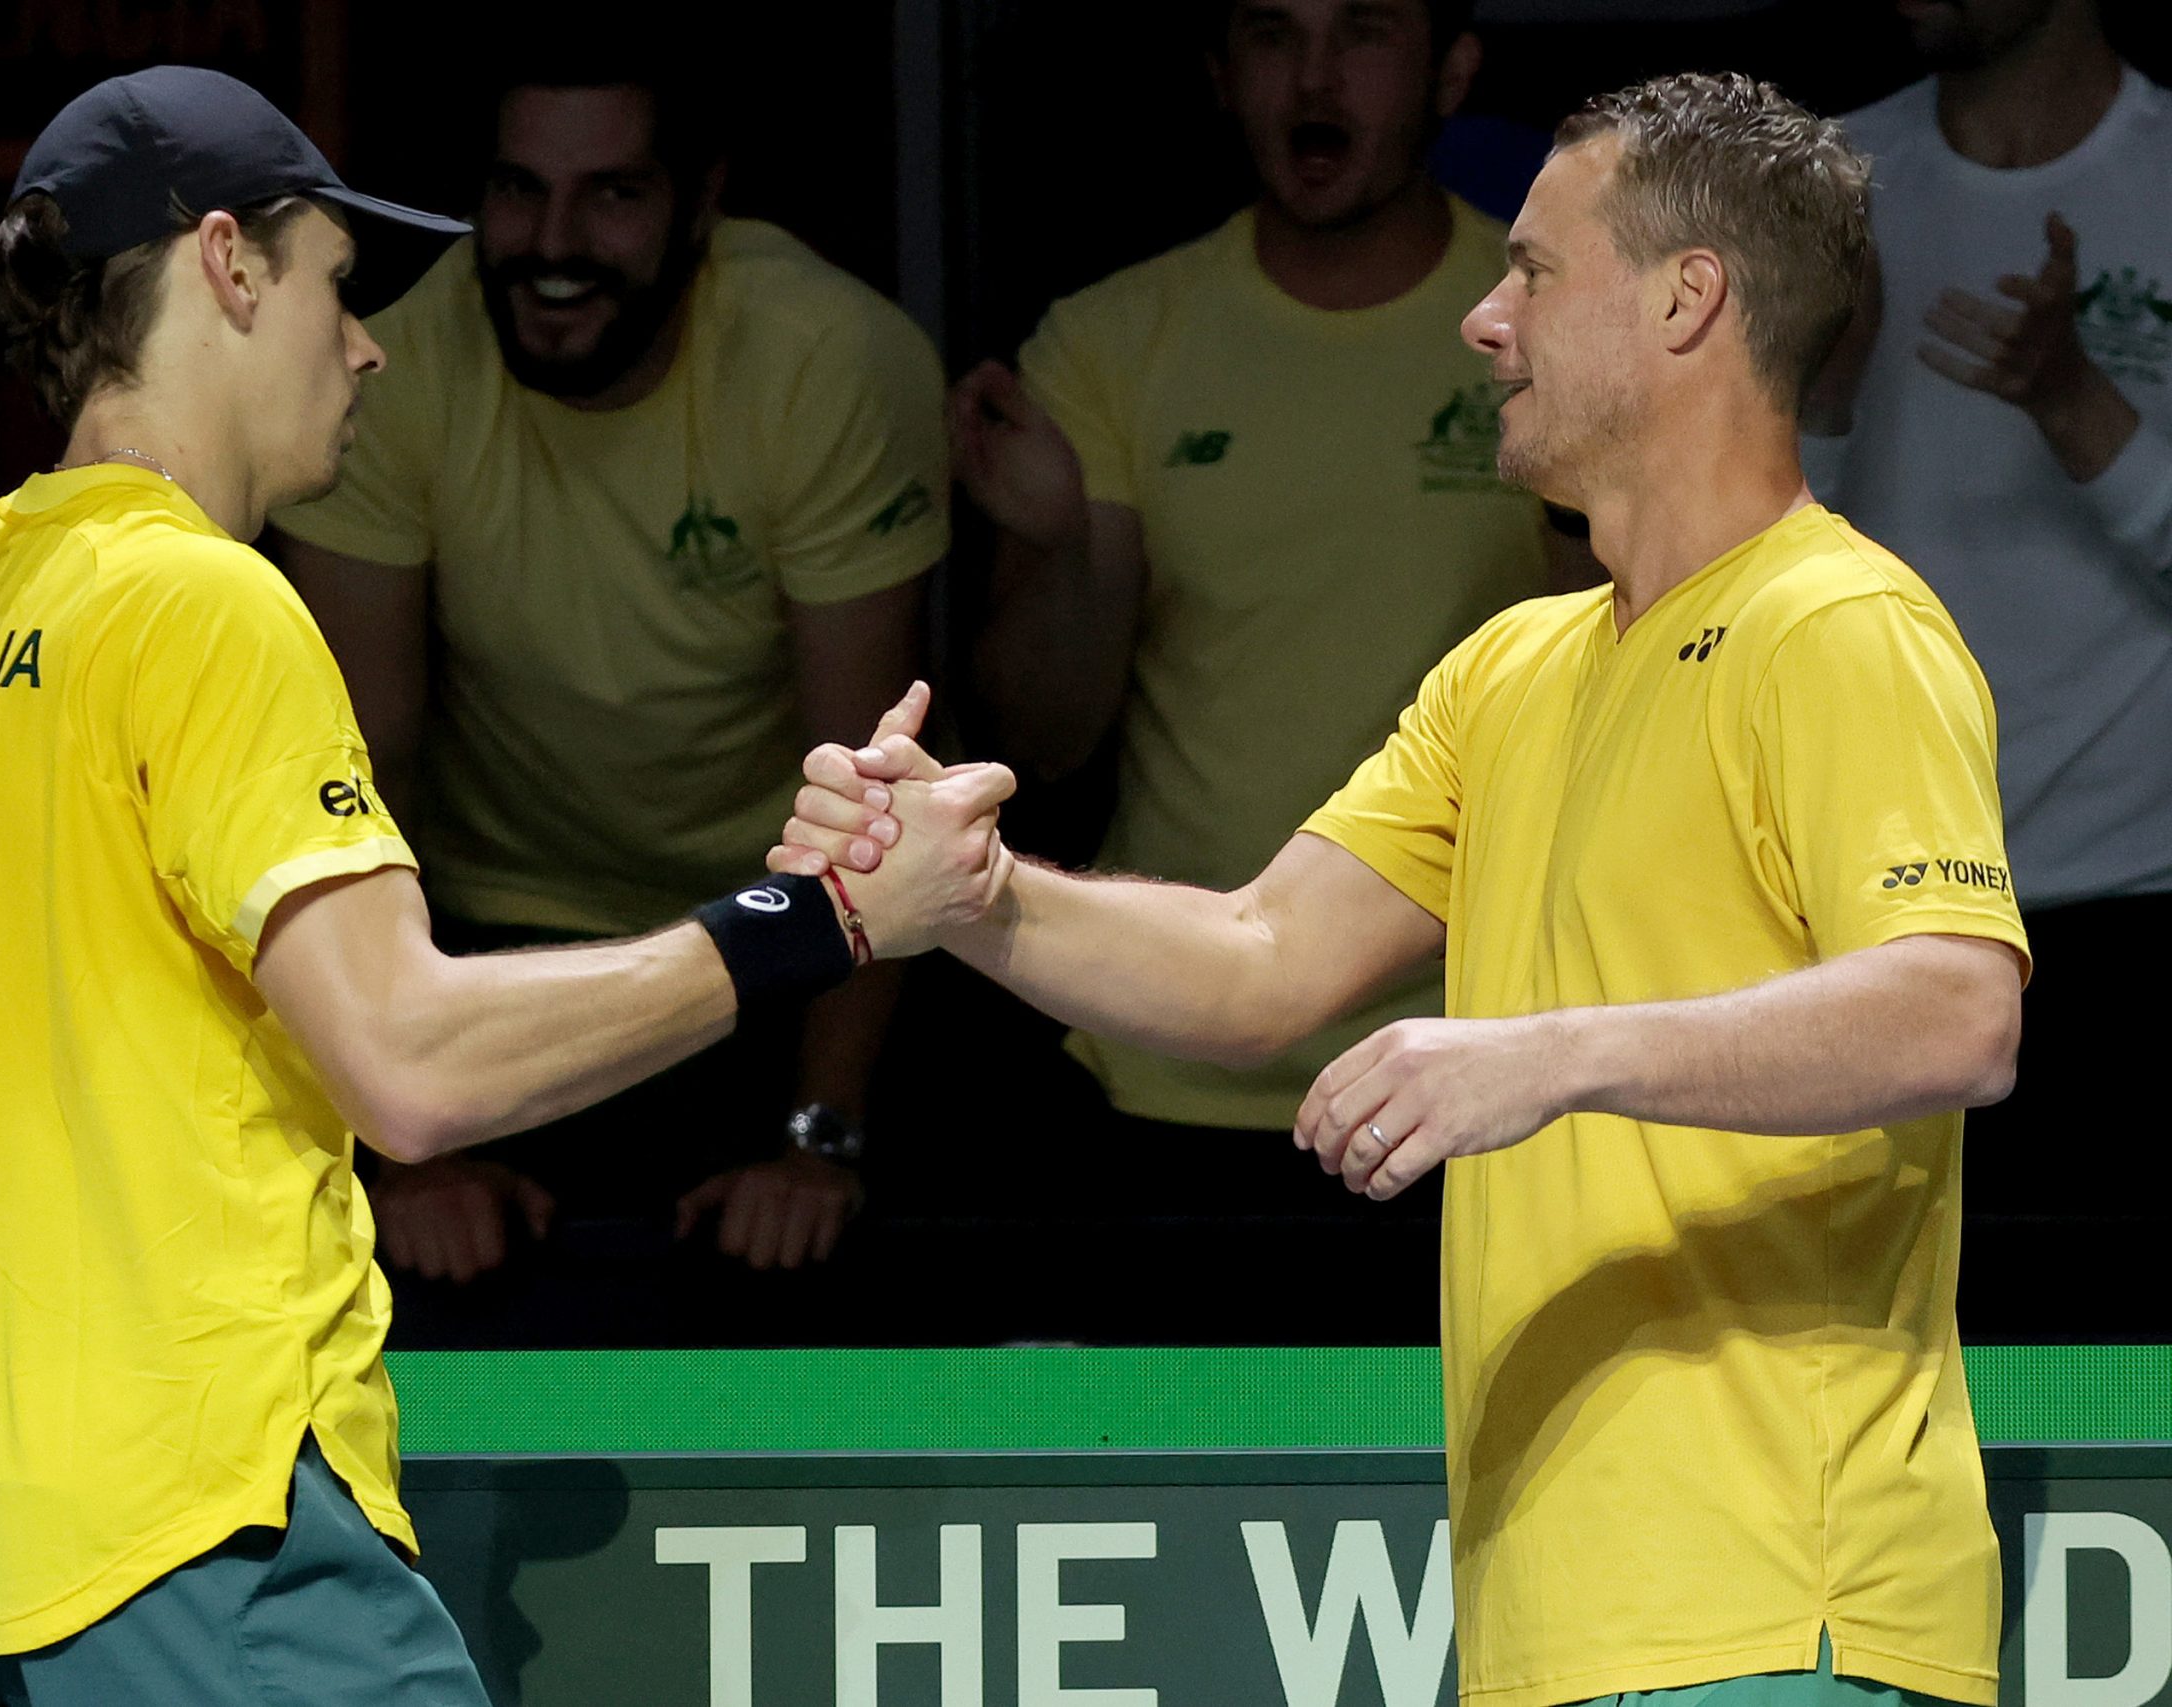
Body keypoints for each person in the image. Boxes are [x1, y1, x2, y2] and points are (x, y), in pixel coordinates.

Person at [788, 73, 2025, 1707]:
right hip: (1558, 1628)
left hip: (1779, 1613)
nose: (1481, 322)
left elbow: (1956, 1008)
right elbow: (1256, 957)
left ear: (1688, 298)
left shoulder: (1838, 623)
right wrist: (976, 894)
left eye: (1532, 272)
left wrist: (1546, 1051)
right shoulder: (1514, 668)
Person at [0, 67, 1009, 1702]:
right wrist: (827, 921)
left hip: (2, 1587)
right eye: (337, 287)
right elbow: (411, 1064)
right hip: (230, 1547)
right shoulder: (205, 603)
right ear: (228, 266)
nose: (366, 347)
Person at [270, 18, 947, 1290]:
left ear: (702, 202)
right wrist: (399, 1142)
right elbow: (361, 781)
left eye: (613, 194)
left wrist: (820, 1139)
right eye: (520, 191)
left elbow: (877, 788)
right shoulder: (393, 369)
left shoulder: (824, 359)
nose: (556, 246)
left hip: (785, 935)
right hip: (488, 942)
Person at [954, 0, 1570, 1198]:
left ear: (1452, 74)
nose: (1316, 79)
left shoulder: (1544, 329)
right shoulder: (1111, 340)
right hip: (1165, 1055)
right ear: (1222, 76)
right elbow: (1042, 739)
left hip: (1465, 1068)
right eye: (1276, 38)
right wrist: (1062, 541)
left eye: (1364, 36)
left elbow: (1634, 693)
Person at [1801, 0, 2172, 1270]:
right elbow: (1712, 572)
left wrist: (2074, 400)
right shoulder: (1810, 180)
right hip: (1863, 910)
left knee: (2108, 1381)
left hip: (2135, 920)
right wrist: (1829, 387)